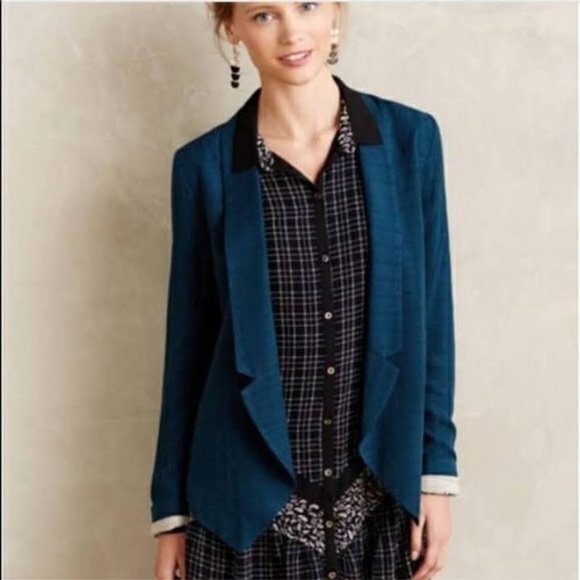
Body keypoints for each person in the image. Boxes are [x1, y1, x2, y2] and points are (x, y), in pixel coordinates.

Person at [150, 3, 460, 579]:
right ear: (232, 28)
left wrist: (435, 477)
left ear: (336, 11)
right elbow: (187, 350)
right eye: (263, 14)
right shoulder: (203, 168)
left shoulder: (410, 141)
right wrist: (171, 514)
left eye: (308, 5)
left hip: (379, 499)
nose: (292, 31)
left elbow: (433, 319)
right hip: (242, 511)